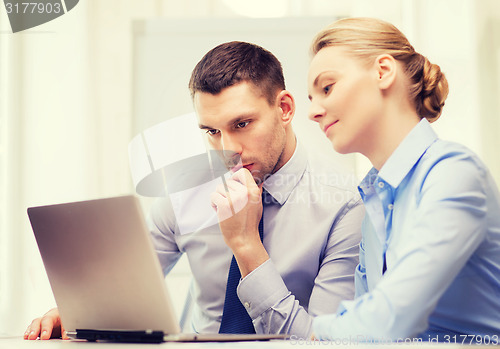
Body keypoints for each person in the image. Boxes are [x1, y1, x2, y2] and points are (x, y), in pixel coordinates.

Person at [25, 41, 364, 340]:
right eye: (212, 132)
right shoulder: (186, 191)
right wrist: (76, 312)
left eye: (241, 124)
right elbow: (121, 286)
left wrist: (246, 247)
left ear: (285, 109)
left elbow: (325, 344)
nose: (227, 149)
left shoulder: (344, 206)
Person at [307, 17, 500, 342]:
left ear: (383, 72)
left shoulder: (453, 173)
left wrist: (319, 329)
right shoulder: (374, 202)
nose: (313, 111)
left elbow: (385, 320)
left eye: (326, 88)